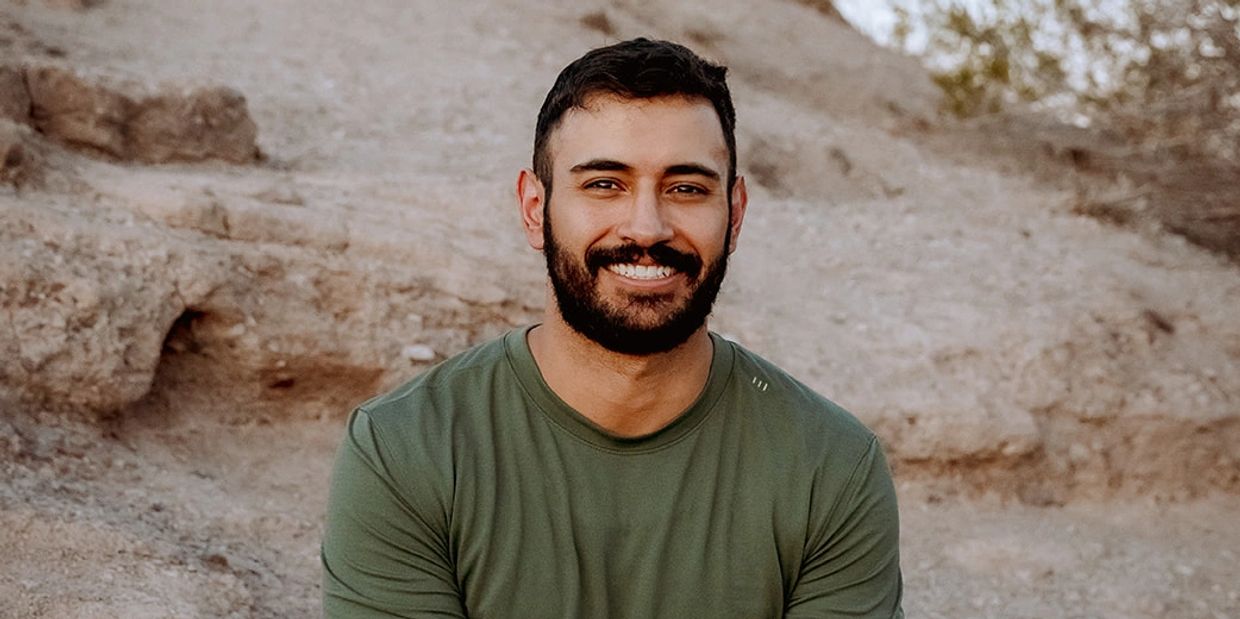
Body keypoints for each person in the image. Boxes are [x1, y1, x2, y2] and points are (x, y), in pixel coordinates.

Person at [322, 37, 904, 618]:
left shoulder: (829, 467)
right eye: (604, 184)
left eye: (686, 188)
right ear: (534, 209)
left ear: (735, 214)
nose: (646, 228)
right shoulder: (406, 450)